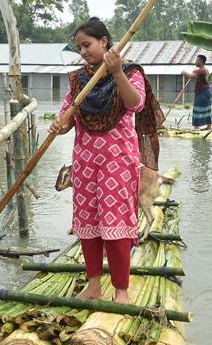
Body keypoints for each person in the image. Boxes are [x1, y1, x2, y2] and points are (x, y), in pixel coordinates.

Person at [49, 17, 163, 304]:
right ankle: (94, 285)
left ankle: (121, 291)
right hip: (86, 161)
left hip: (118, 161)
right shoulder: (79, 80)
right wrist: (59, 126)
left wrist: (116, 73)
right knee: (87, 223)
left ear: (104, 41)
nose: (83, 51)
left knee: (116, 225)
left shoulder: (130, 71)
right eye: (79, 47)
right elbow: (68, 118)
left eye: (87, 45)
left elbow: (134, 104)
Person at [182, 54, 212, 130]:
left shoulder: (202, 70)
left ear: (201, 61)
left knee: (197, 109)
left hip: (203, 93)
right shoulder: (203, 70)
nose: (195, 61)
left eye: (197, 60)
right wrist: (195, 72)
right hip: (205, 92)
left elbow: (189, 75)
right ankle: (208, 126)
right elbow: (196, 73)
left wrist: (183, 72)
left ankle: (197, 128)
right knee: (206, 109)